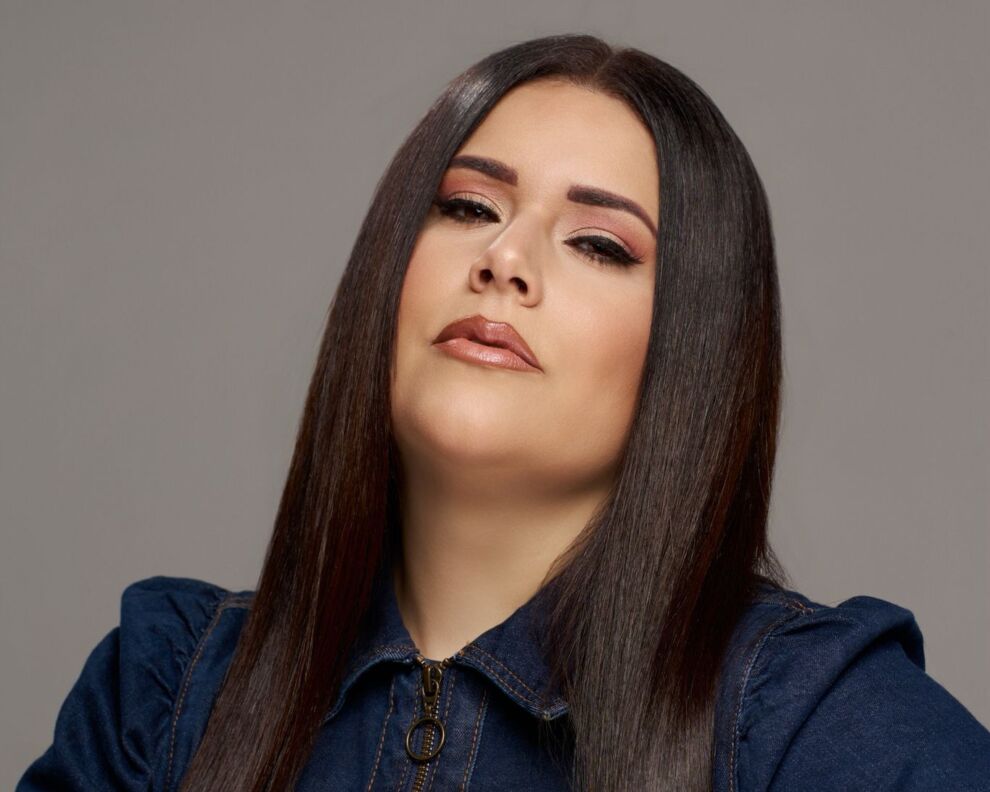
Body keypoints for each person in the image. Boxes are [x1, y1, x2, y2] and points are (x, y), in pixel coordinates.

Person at [17, 33, 990, 792]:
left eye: (600, 245)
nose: (504, 260)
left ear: (697, 350)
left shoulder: (807, 716)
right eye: (468, 207)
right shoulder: (168, 690)